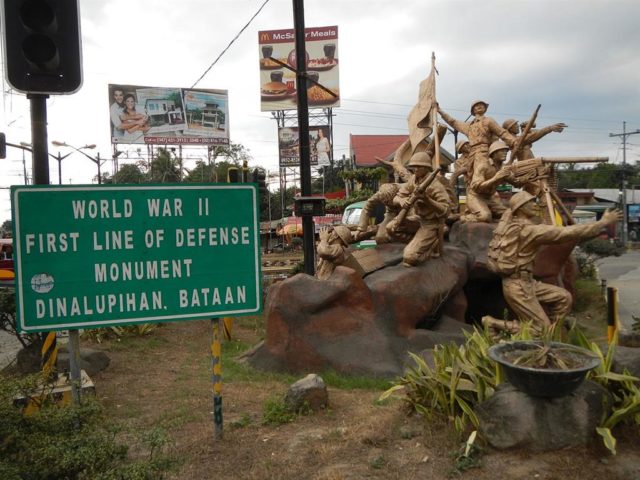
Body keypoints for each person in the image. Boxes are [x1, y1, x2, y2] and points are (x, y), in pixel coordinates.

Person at [488, 191, 621, 330]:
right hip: (518, 286)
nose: (536, 204)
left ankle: (553, 334)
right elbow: (566, 233)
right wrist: (603, 222)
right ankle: (493, 324)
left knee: (564, 298)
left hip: (527, 283)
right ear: (520, 207)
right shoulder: (530, 230)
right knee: (541, 329)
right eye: (531, 202)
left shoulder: (512, 224)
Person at [386, 152, 450, 266]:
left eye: (418, 166)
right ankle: (417, 243)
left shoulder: (436, 185)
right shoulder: (413, 179)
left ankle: (429, 247)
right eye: (413, 166)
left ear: (427, 168)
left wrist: (427, 200)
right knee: (391, 228)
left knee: (409, 258)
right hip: (418, 219)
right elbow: (397, 197)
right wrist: (402, 201)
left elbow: (445, 211)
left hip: (432, 223)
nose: (415, 169)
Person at [439, 100, 515, 171]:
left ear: (485, 108)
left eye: (482, 105)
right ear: (473, 110)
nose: (479, 106)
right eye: (476, 105)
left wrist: (513, 141)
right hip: (472, 154)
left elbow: (501, 133)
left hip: (485, 152)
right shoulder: (469, 126)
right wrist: (439, 110)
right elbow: (453, 122)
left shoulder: (489, 121)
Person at [462, 140, 512, 223]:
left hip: (490, 198)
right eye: (502, 151)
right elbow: (476, 186)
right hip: (476, 197)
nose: (505, 153)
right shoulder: (483, 166)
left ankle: (493, 217)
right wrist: (495, 178)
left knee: (509, 214)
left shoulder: (503, 168)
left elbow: (517, 183)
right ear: (494, 153)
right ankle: (464, 218)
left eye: (506, 151)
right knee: (485, 216)